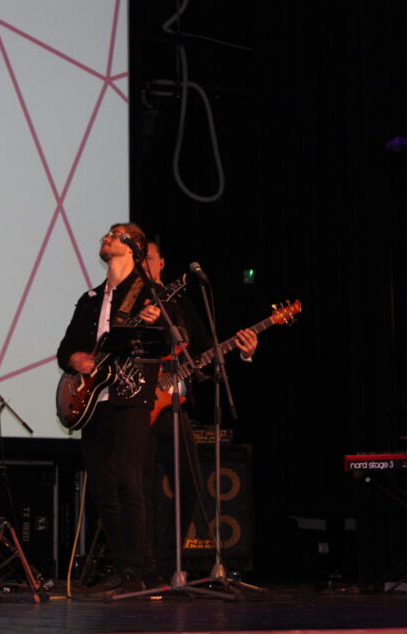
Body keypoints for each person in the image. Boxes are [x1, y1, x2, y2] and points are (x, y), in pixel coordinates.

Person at [140, 240, 257, 586]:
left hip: (175, 409)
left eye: (149, 258)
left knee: (190, 488)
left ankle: (167, 567)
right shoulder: (129, 303)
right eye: (139, 259)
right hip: (139, 409)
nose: (144, 264)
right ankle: (144, 570)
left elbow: (208, 351)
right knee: (142, 492)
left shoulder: (180, 302)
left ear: (162, 262)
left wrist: (244, 352)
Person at [57, 223, 163, 596]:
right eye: (106, 234)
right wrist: (77, 359)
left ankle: (138, 569)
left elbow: (170, 343)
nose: (106, 237)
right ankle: (121, 568)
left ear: (132, 246)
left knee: (130, 483)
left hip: (130, 397)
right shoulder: (89, 298)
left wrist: (155, 325)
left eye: (115, 234)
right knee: (103, 489)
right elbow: (64, 350)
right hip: (92, 403)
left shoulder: (150, 293)